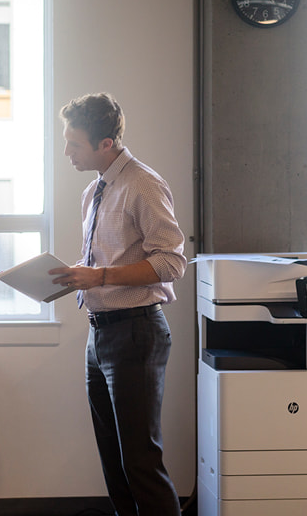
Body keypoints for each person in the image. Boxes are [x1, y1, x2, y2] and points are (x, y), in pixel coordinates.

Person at [51, 93, 187, 516]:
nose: (66, 151)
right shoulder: (95, 189)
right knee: (114, 461)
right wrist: (75, 275)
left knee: (140, 462)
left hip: (136, 332)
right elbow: (106, 259)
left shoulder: (142, 184)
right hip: (101, 333)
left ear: (105, 144)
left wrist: (103, 276)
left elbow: (172, 261)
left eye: (74, 143)